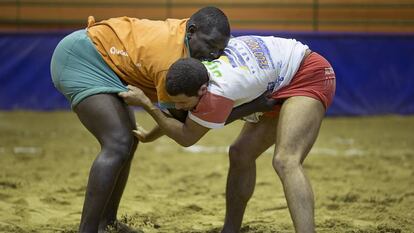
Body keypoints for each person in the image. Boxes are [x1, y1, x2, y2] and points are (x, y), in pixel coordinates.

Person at [119, 35, 336, 233]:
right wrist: (150, 135)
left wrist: (147, 105)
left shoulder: (217, 93)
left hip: (309, 73)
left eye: (183, 102)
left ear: (203, 91)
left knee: (286, 160)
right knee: (240, 153)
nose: (179, 106)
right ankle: (230, 230)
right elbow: (181, 116)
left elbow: (187, 136)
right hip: (275, 79)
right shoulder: (194, 74)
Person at [50, 7, 231, 233]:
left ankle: (106, 224)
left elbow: (172, 118)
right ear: (191, 31)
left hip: (108, 60)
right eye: (210, 46)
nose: (213, 55)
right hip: (82, 58)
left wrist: (148, 134)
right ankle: (88, 230)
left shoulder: (188, 39)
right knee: (118, 142)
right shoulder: (169, 61)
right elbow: (180, 126)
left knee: (129, 140)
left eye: (219, 50)